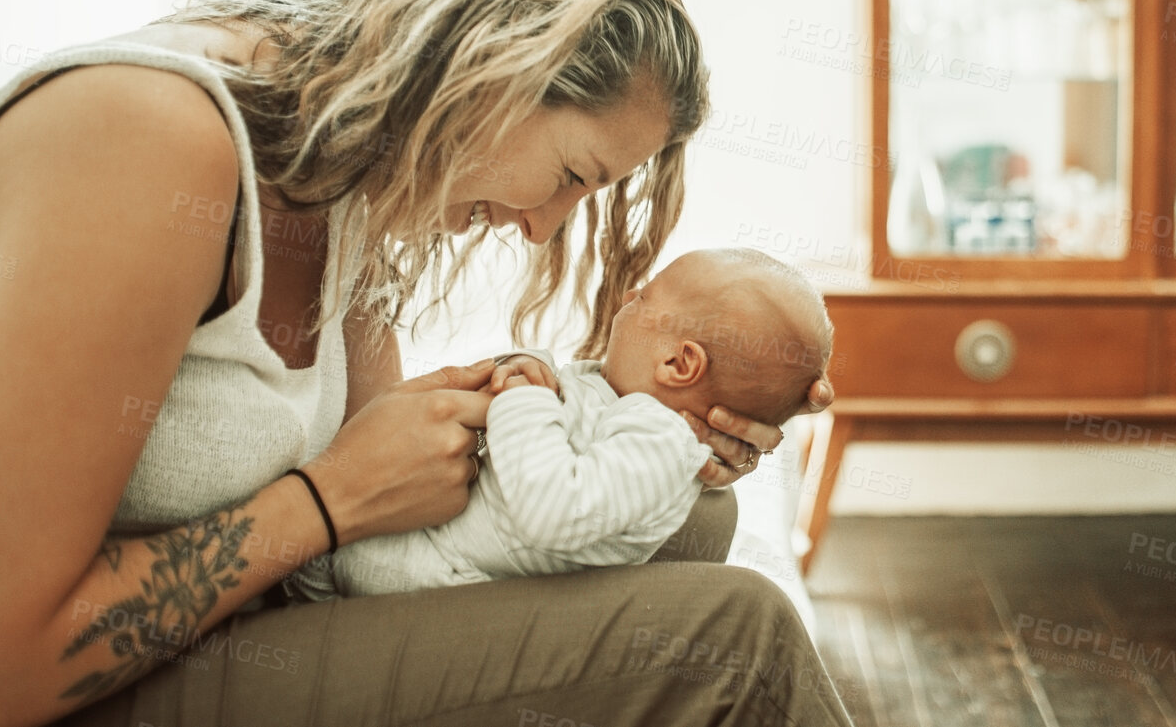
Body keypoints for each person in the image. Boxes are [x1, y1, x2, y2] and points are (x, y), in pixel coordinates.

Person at [0, 0, 848, 727]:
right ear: (492, 69)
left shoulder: (343, 159)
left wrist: (652, 429)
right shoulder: (146, 142)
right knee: (738, 639)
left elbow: (383, 478)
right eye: (571, 176)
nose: (541, 231)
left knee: (695, 518)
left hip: (234, 625)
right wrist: (330, 499)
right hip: (33, 690)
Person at [301, 247, 834, 599]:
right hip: (431, 539)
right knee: (327, 563)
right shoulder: (618, 395)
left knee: (346, 568)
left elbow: (556, 509)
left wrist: (523, 399)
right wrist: (522, 368)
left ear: (678, 364)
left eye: (643, 297)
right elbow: (558, 397)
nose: (626, 298)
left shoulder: (661, 442)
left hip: (442, 578)